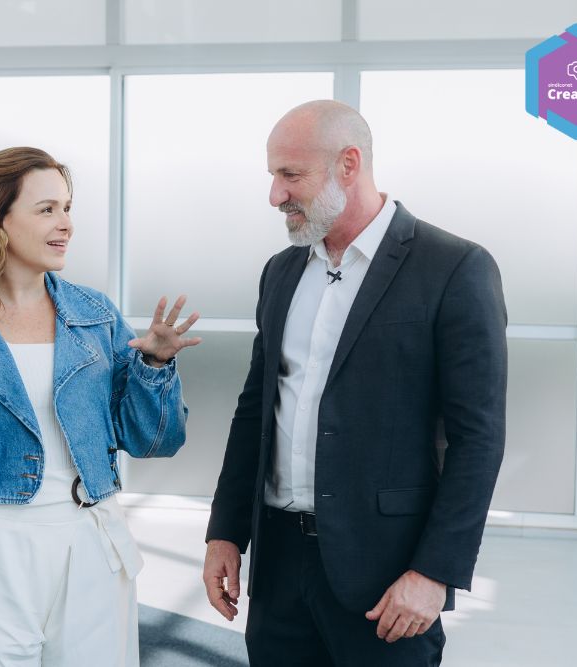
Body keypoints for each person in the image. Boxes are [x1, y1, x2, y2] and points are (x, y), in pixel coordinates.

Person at [202, 100, 507, 666]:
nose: (275, 195)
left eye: (290, 175)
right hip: (278, 568)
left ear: (349, 164)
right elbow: (255, 412)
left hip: (387, 576)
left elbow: (479, 438)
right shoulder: (282, 271)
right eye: (273, 175)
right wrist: (225, 533)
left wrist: (434, 572)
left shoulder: (454, 268)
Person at [0, 147, 201, 666]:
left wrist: (153, 369)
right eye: (46, 209)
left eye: (67, 208)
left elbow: (154, 441)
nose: (65, 223)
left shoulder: (95, 315)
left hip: (92, 534)